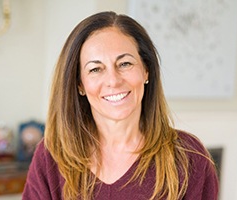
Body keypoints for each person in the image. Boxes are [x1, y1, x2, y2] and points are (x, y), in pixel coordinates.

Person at [22, 11, 219, 200]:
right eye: (96, 69)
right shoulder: (52, 156)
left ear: (146, 70)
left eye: (124, 64)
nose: (113, 81)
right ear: (80, 84)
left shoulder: (188, 157)